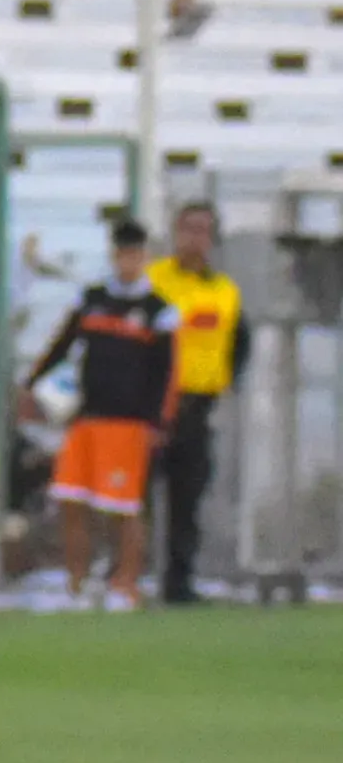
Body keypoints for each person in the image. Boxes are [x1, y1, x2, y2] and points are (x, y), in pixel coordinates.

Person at [29, 216, 181, 610]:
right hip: (86, 418)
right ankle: (77, 584)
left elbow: (167, 373)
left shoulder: (158, 311)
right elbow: (61, 346)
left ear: (144, 257)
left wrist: (158, 422)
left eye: (135, 254)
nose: (127, 261)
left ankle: (124, 584)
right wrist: (31, 383)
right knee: (71, 500)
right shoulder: (91, 300)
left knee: (122, 508)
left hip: (128, 424)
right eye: (121, 253)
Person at [141, 200, 247, 603]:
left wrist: (226, 382)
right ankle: (128, 575)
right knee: (136, 495)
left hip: (198, 406)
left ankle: (179, 582)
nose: (194, 239)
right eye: (188, 229)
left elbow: (239, 343)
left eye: (202, 231)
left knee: (188, 497)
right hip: (152, 406)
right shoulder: (154, 281)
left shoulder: (224, 292)